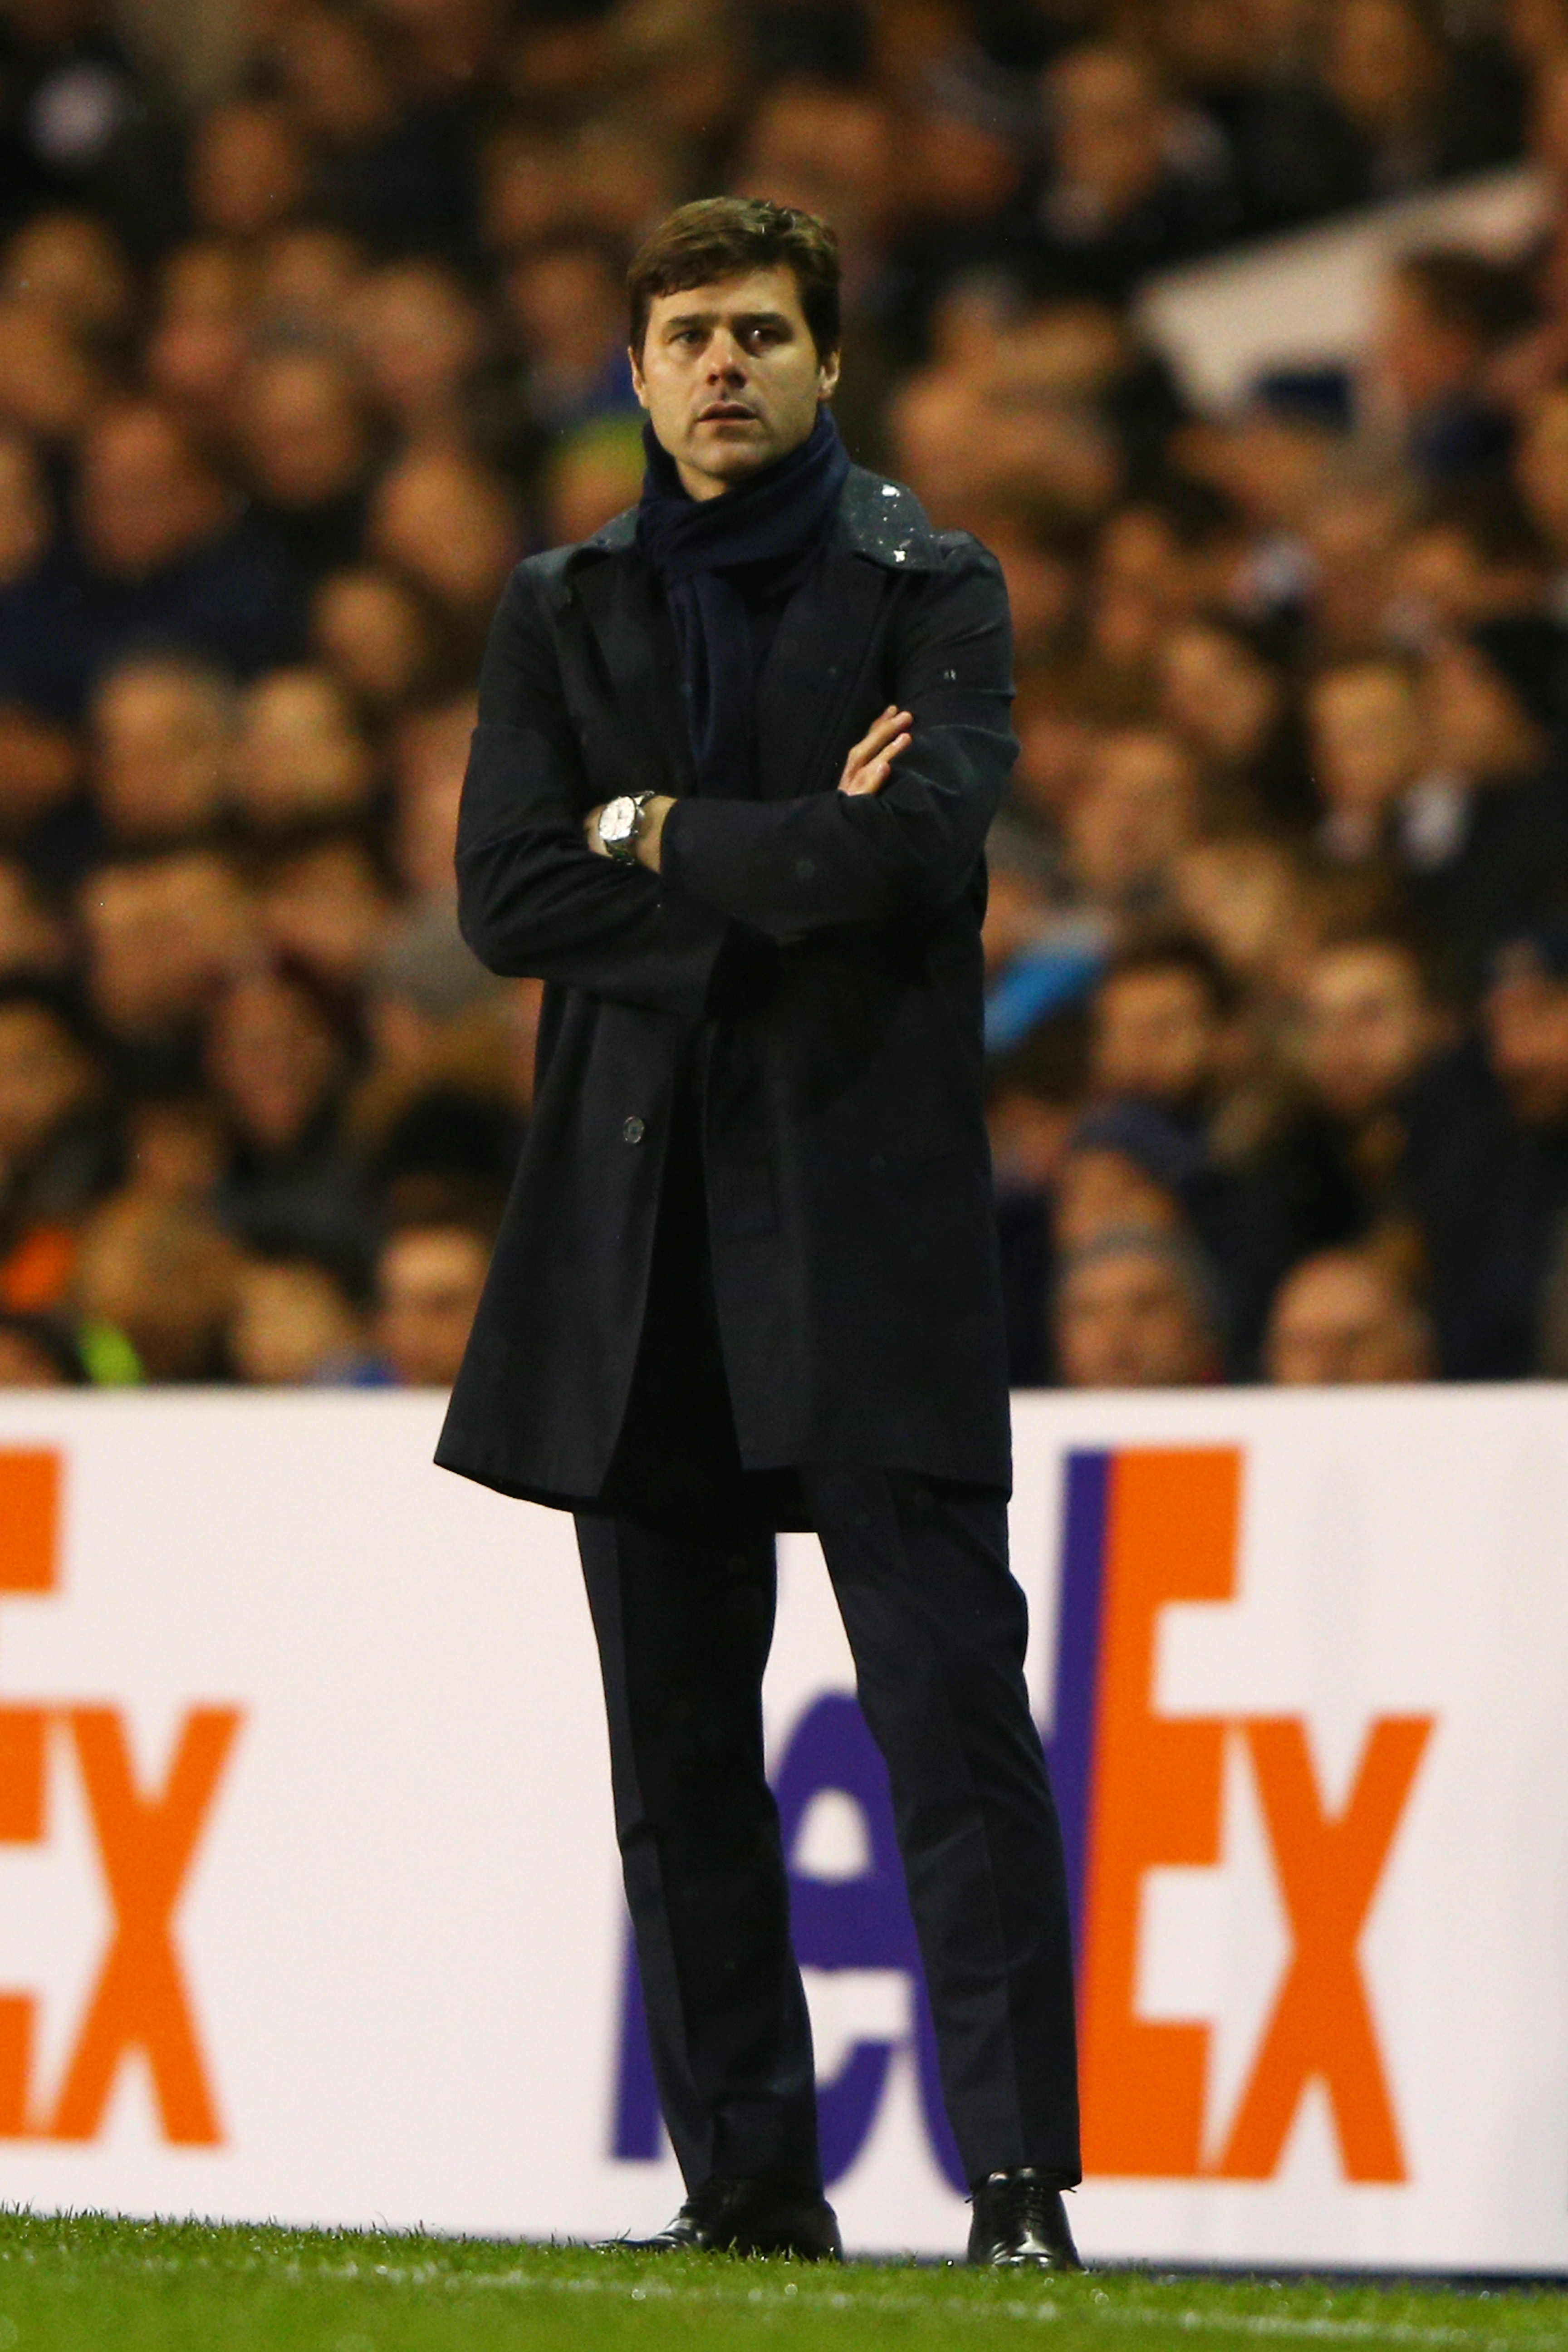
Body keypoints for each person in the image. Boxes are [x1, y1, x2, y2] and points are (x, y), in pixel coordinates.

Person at [436, 198, 1081, 2271]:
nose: (724, 367)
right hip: (638, 1248)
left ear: (828, 368)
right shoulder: (562, 603)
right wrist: (768, 855)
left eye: (763, 335)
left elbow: (908, 860)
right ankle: (749, 2196)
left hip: (864, 1233)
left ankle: (1017, 2192)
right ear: (632, 375)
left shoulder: (935, 583)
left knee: (947, 1723)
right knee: (682, 1752)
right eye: (688, 337)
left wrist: (653, 832)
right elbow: (507, 901)